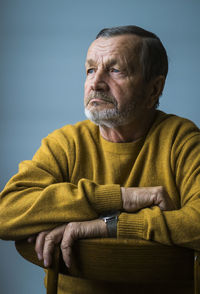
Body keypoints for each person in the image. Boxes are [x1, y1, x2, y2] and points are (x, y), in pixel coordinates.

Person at [1, 25, 200, 293]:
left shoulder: (181, 138)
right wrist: (120, 198)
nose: (95, 82)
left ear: (154, 89)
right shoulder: (66, 142)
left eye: (115, 70)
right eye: (90, 70)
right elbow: (6, 213)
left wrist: (109, 225)